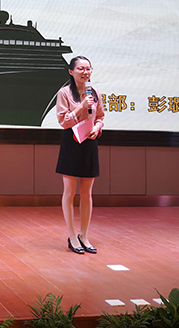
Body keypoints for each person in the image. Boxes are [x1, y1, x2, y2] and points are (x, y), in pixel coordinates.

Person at [55, 55, 104, 254]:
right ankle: (72, 236)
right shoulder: (64, 93)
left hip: (89, 142)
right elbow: (63, 121)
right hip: (71, 142)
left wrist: (98, 128)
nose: (86, 72)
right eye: (81, 69)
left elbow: (100, 116)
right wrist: (81, 106)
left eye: (88, 68)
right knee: (69, 192)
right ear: (71, 71)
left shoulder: (95, 92)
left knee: (86, 193)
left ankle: (84, 235)